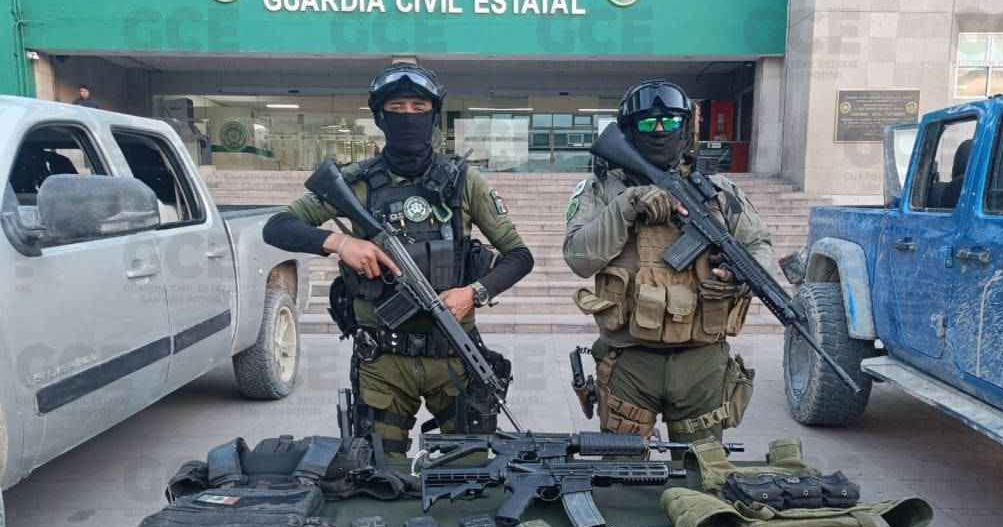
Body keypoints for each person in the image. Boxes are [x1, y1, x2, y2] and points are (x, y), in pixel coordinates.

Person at [264, 62, 533, 455]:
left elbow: (520, 256)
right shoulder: (356, 182)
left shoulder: (465, 181)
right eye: (397, 107)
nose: (408, 116)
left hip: (455, 356)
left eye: (419, 107)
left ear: (434, 115)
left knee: (468, 473)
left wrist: (473, 293)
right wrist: (341, 243)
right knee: (379, 474)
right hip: (382, 362)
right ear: (380, 116)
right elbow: (277, 226)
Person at [563, 79, 773, 449]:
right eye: (648, 123)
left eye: (671, 122)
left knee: (703, 469)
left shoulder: (719, 191)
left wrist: (738, 275)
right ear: (628, 131)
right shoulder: (602, 190)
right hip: (628, 361)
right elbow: (580, 258)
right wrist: (627, 205)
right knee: (622, 472)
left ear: (686, 129)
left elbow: (758, 244)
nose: (660, 131)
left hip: (702, 362)